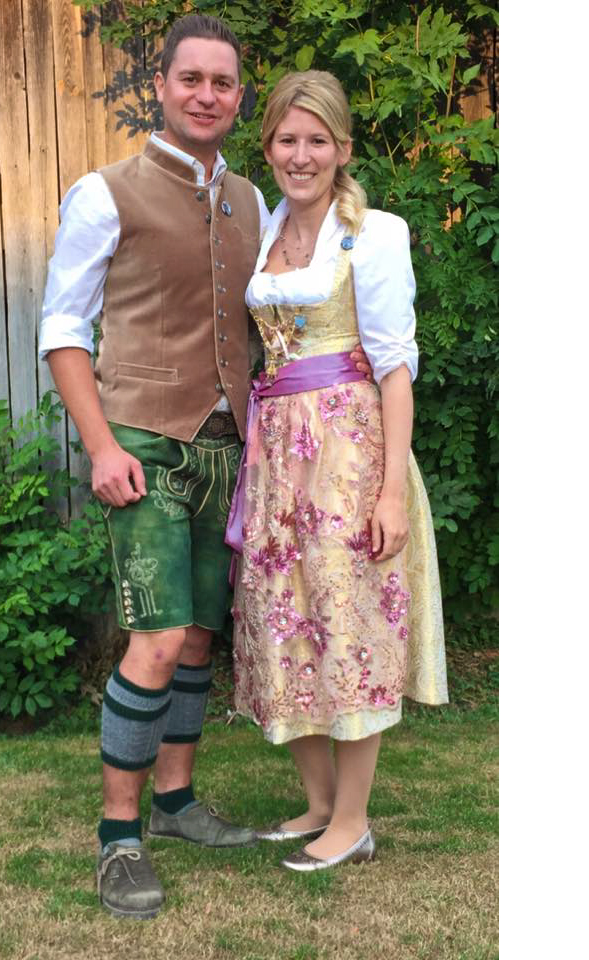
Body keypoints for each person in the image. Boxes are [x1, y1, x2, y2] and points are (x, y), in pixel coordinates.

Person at [41, 15, 376, 918]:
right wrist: (101, 446)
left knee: (195, 638)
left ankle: (178, 801)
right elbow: (63, 328)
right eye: (190, 79)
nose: (206, 95)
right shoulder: (103, 193)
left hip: (230, 447)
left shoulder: (252, 202)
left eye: (222, 83)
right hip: (142, 445)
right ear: (161, 86)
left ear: (237, 98)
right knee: (153, 640)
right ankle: (118, 838)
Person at [227, 70, 448, 872]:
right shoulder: (263, 229)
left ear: (343, 148)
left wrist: (389, 492)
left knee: (350, 626)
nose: (301, 154)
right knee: (287, 621)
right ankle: (320, 804)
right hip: (277, 457)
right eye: (287, 139)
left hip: (347, 456)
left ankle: (352, 821)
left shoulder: (373, 234)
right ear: (268, 147)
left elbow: (395, 368)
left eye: (317, 140)